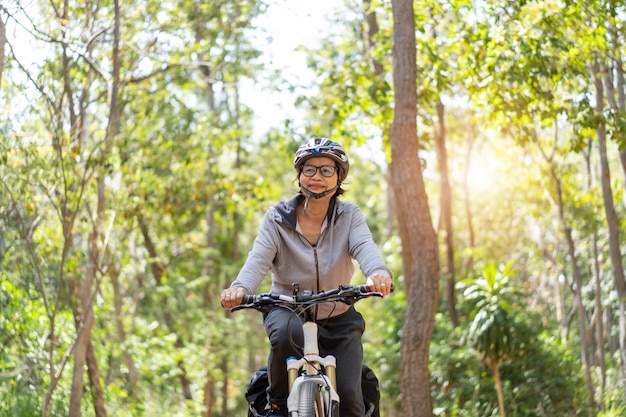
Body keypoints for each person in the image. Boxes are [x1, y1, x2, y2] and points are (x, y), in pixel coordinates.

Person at [221, 137, 393, 417]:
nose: (317, 177)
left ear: (339, 177)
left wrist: (378, 272)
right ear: (299, 175)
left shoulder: (349, 217)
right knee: (287, 334)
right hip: (287, 306)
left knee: (351, 399)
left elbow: (365, 248)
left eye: (327, 170)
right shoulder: (278, 218)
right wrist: (239, 287)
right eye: (309, 169)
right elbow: (258, 260)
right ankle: (277, 402)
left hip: (339, 315)